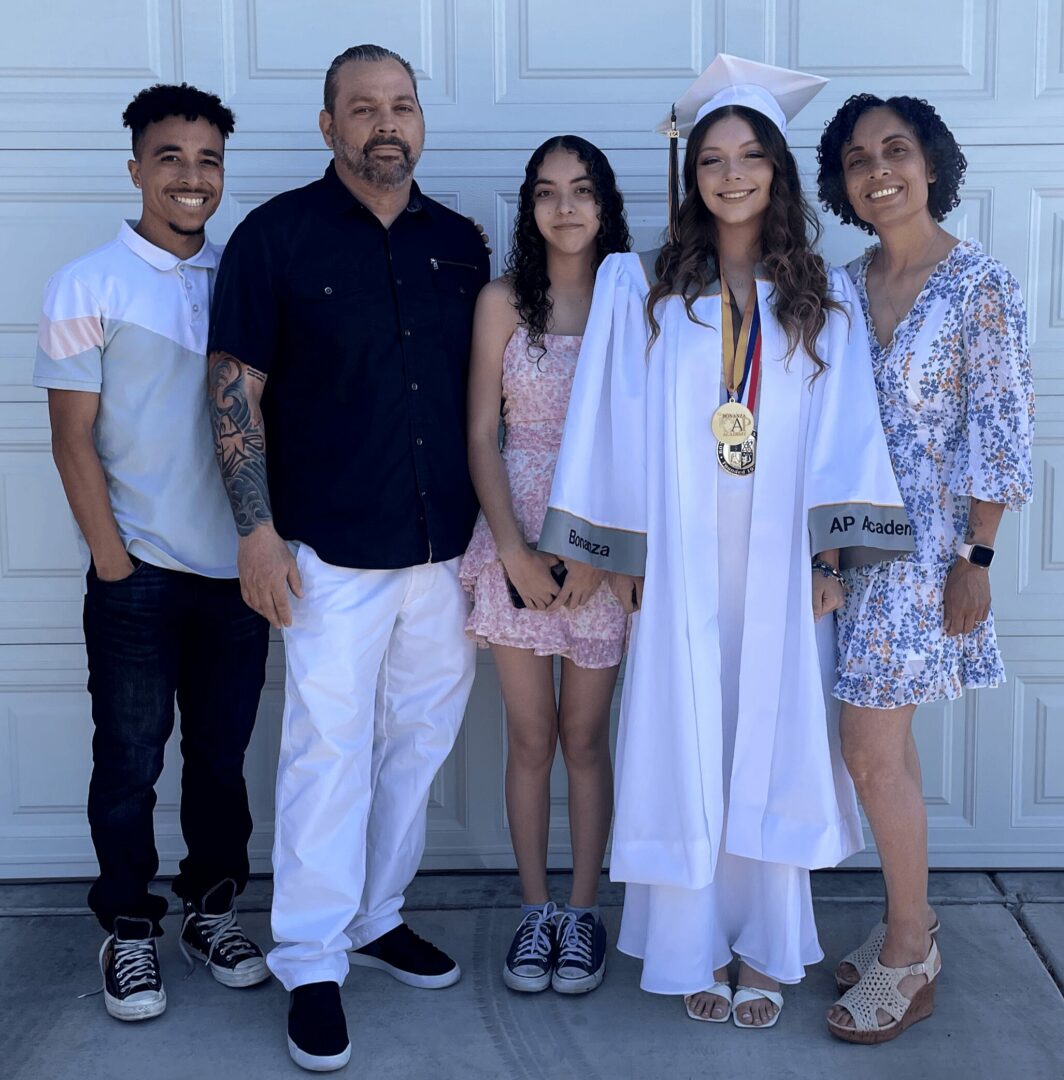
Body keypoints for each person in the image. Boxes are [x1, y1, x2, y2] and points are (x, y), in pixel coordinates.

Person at [540, 55, 912, 1029]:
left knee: (769, 733)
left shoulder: (819, 293)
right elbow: (609, 418)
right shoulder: (640, 285)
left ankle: (764, 945)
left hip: (778, 556)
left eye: (750, 156)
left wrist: (829, 558)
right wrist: (622, 549)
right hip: (679, 550)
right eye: (711, 158)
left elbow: (846, 427)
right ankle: (688, 941)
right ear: (691, 173)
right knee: (684, 730)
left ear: (776, 170)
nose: (730, 174)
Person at [207, 44, 490, 1072]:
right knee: (326, 753)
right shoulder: (274, 236)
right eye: (363, 108)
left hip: (445, 548)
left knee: (418, 741)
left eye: (402, 105)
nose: (386, 124)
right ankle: (311, 958)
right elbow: (233, 388)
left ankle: (376, 915)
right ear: (328, 125)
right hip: (328, 551)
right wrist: (255, 530)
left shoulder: (460, 243)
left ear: (420, 121)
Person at [33, 83, 270, 1023]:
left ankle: (211, 912)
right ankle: (128, 927)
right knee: (129, 763)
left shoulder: (240, 275)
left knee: (220, 761)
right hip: (136, 575)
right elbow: (71, 440)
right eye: (170, 157)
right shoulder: (86, 283)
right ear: (135, 167)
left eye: (208, 159)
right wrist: (112, 561)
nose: (191, 176)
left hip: (237, 573)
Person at [816, 94, 1034, 1044]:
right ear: (842, 184)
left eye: (895, 150)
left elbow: (1001, 424)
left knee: (867, 750)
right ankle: (912, 916)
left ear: (931, 163)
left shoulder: (977, 283)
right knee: (885, 747)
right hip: (846, 548)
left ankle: (910, 954)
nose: (879, 172)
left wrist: (976, 558)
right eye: (857, 159)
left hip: (925, 554)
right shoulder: (839, 285)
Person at [461, 135, 630, 995]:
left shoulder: (635, 298)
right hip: (517, 535)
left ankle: (583, 913)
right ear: (529, 208)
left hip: (600, 544)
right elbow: (479, 436)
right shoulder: (502, 302)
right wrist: (514, 553)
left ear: (606, 204)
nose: (565, 207)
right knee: (529, 738)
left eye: (582, 190)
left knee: (585, 739)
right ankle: (535, 913)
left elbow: (645, 439)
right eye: (547, 191)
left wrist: (605, 552)